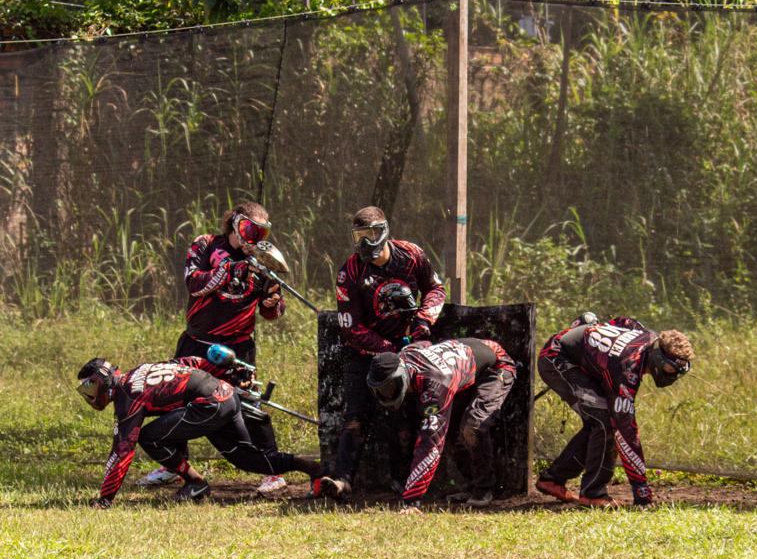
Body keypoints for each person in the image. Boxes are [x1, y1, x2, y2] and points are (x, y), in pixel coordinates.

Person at [140, 201, 288, 494]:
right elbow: (194, 284)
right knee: (177, 399)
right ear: (235, 224)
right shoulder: (206, 245)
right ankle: (173, 465)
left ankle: (273, 470)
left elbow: (273, 311)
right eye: (250, 230)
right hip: (197, 341)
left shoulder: (263, 259)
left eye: (261, 233)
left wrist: (273, 304)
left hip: (238, 347)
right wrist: (231, 270)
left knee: (249, 403)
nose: (254, 239)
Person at [77, 356, 322, 507]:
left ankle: (196, 483)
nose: (90, 397)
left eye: (89, 388)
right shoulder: (138, 370)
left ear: (101, 380)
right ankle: (315, 469)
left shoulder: (127, 397)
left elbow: (122, 451)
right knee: (247, 459)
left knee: (149, 438)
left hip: (209, 406)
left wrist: (105, 499)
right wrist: (226, 374)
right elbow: (187, 362)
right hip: (225, 395)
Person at [320, 206, 446, 498]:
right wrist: (390, 350)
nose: (366, 242)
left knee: (407, 420)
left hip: (410, 350)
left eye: (372, 234)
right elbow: (351, 328)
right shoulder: (350, 272)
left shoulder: (411, 255)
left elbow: (436, 290)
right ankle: (342, 481)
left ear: (385, 231)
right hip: (364, 355)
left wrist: (423, 319)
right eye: (359, 236)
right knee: (355, 420)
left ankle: (406, 482)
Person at [535, 316, 694, 508]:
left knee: (598, 421)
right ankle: (592, 494)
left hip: (574, 356)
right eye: (672, 369)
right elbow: (626, 431)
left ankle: (553, 479)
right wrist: (641, 490)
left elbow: (624, 321)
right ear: (658, 358)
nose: (675, 374)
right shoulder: (627, 368)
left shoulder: (649, 337)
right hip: (556, 359)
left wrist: (596, 335)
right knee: (607, 422)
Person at [361, 337, 517, 510]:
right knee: (450, 430)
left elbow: (431, 443)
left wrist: (412, 500)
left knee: (472, 426)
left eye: (389, 387)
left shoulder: (436, 383)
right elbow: (424, 344)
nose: (386, 395)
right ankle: (473, 486)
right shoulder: (405, 355)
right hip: (463, 368)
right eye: (380, 390)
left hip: (496, 366)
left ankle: (483, 489)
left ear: (402, 374)